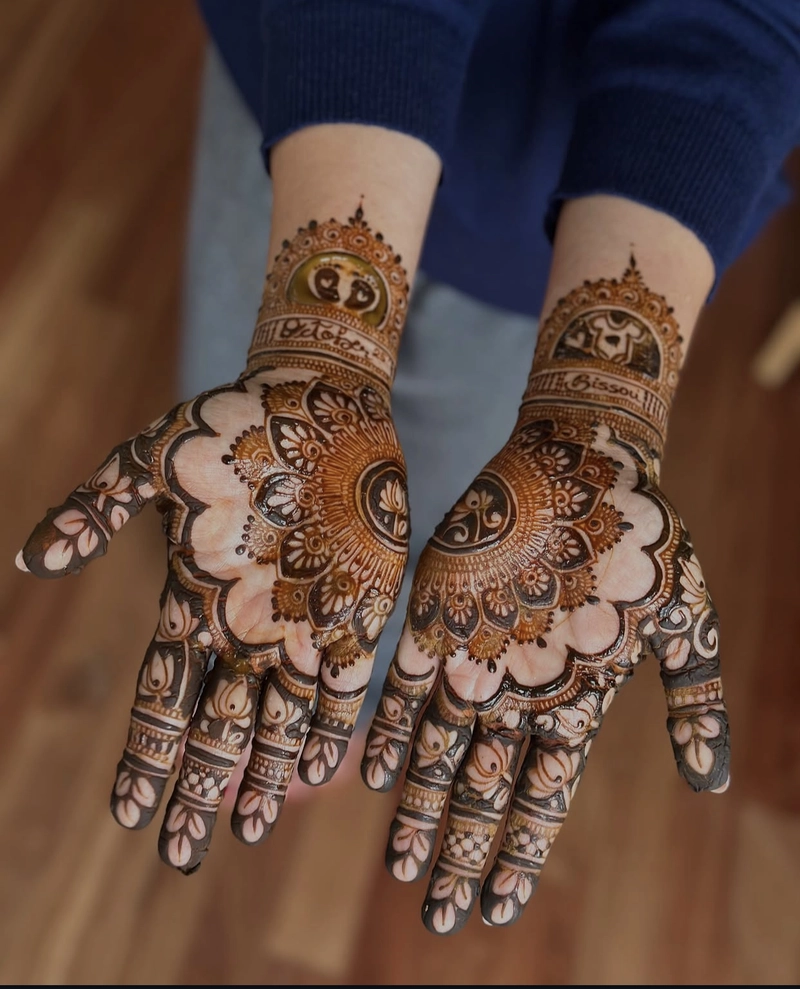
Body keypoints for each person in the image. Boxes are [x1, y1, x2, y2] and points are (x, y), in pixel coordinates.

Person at [15, 0, 800, 936]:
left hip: (575, 218)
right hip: (310, 74)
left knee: (464, 525)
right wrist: (323, 355)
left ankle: (343, 686)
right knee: (253, 452)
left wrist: (598, 417)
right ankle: (304, 672)